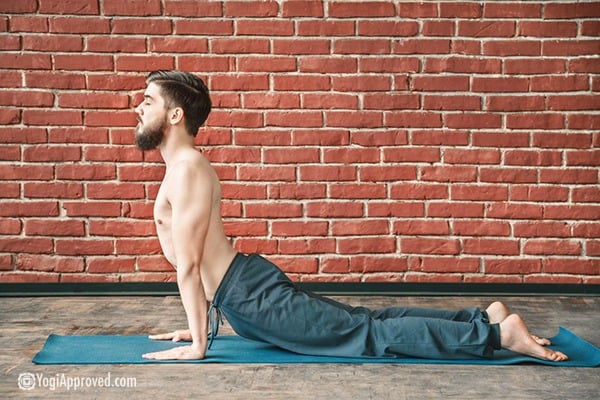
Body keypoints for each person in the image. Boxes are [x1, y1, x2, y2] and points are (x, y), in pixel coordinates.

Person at [135, 70, 567, 362]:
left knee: (368, 336)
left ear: (175, 115)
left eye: (148, 100)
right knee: (364, 323)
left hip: (251, 298)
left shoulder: (188, 168)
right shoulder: (183, 167)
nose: (139, 107)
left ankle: (497, 335)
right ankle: (482, 318)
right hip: (244, 295)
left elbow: (191, 264)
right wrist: (195, 328)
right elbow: (198, 261)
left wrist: (197, 345)